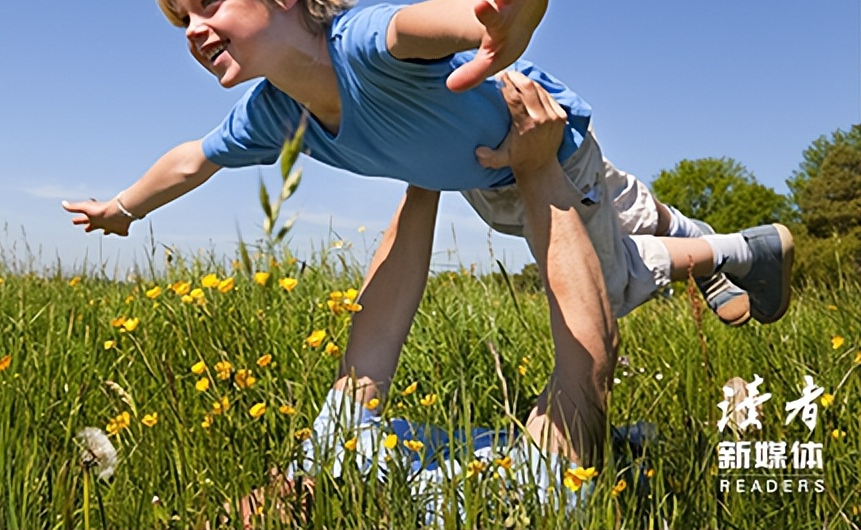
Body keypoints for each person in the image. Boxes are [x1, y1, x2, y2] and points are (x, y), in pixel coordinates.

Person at [63, 0, 793, 332]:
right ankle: (688, 231)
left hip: (536, 153)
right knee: (621, 204)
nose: (192, 29)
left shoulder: (361, 44)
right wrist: (126, 208)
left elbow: (423, 23)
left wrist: (499, 25)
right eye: (181, 18)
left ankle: (736, 251)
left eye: (209, 4)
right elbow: (193, 158)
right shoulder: (272, 115)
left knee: (600, 293)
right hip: (497, 171)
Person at [232, 74, 787, 528]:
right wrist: (536, 167)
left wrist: (425, 168)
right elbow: (588, 359)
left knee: (615, 244)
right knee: (611, 282)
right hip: (607, 470)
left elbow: (375, 329)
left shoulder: (330, 455)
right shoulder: (498, 511)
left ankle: (719, 249)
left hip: (525, 440)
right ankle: (724, 259)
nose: (235, 513)